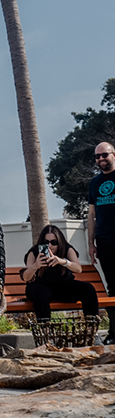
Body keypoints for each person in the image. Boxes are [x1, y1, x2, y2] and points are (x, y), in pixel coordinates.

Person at [21, 223, 98, 321]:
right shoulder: (35, 252)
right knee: (39, 292)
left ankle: (91, 327)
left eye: (54, 242)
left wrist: (63, 261)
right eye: (46, 242)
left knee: (88, 288)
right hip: (40, 287)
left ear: (60, 242)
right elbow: (26, 277)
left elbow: (78, 268)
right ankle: (45, 329)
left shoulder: (66, 249)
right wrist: (36, 265)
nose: (50, 245)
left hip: (63, 286)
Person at [89, 142, 115, 344]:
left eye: (104, 155)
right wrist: (91, 243)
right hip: (104, 240)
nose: (100, 159)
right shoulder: (95, 183)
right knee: (112, 288)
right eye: (97, 157)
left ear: (113, 155)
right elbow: (91, 215)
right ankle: (114, 333)